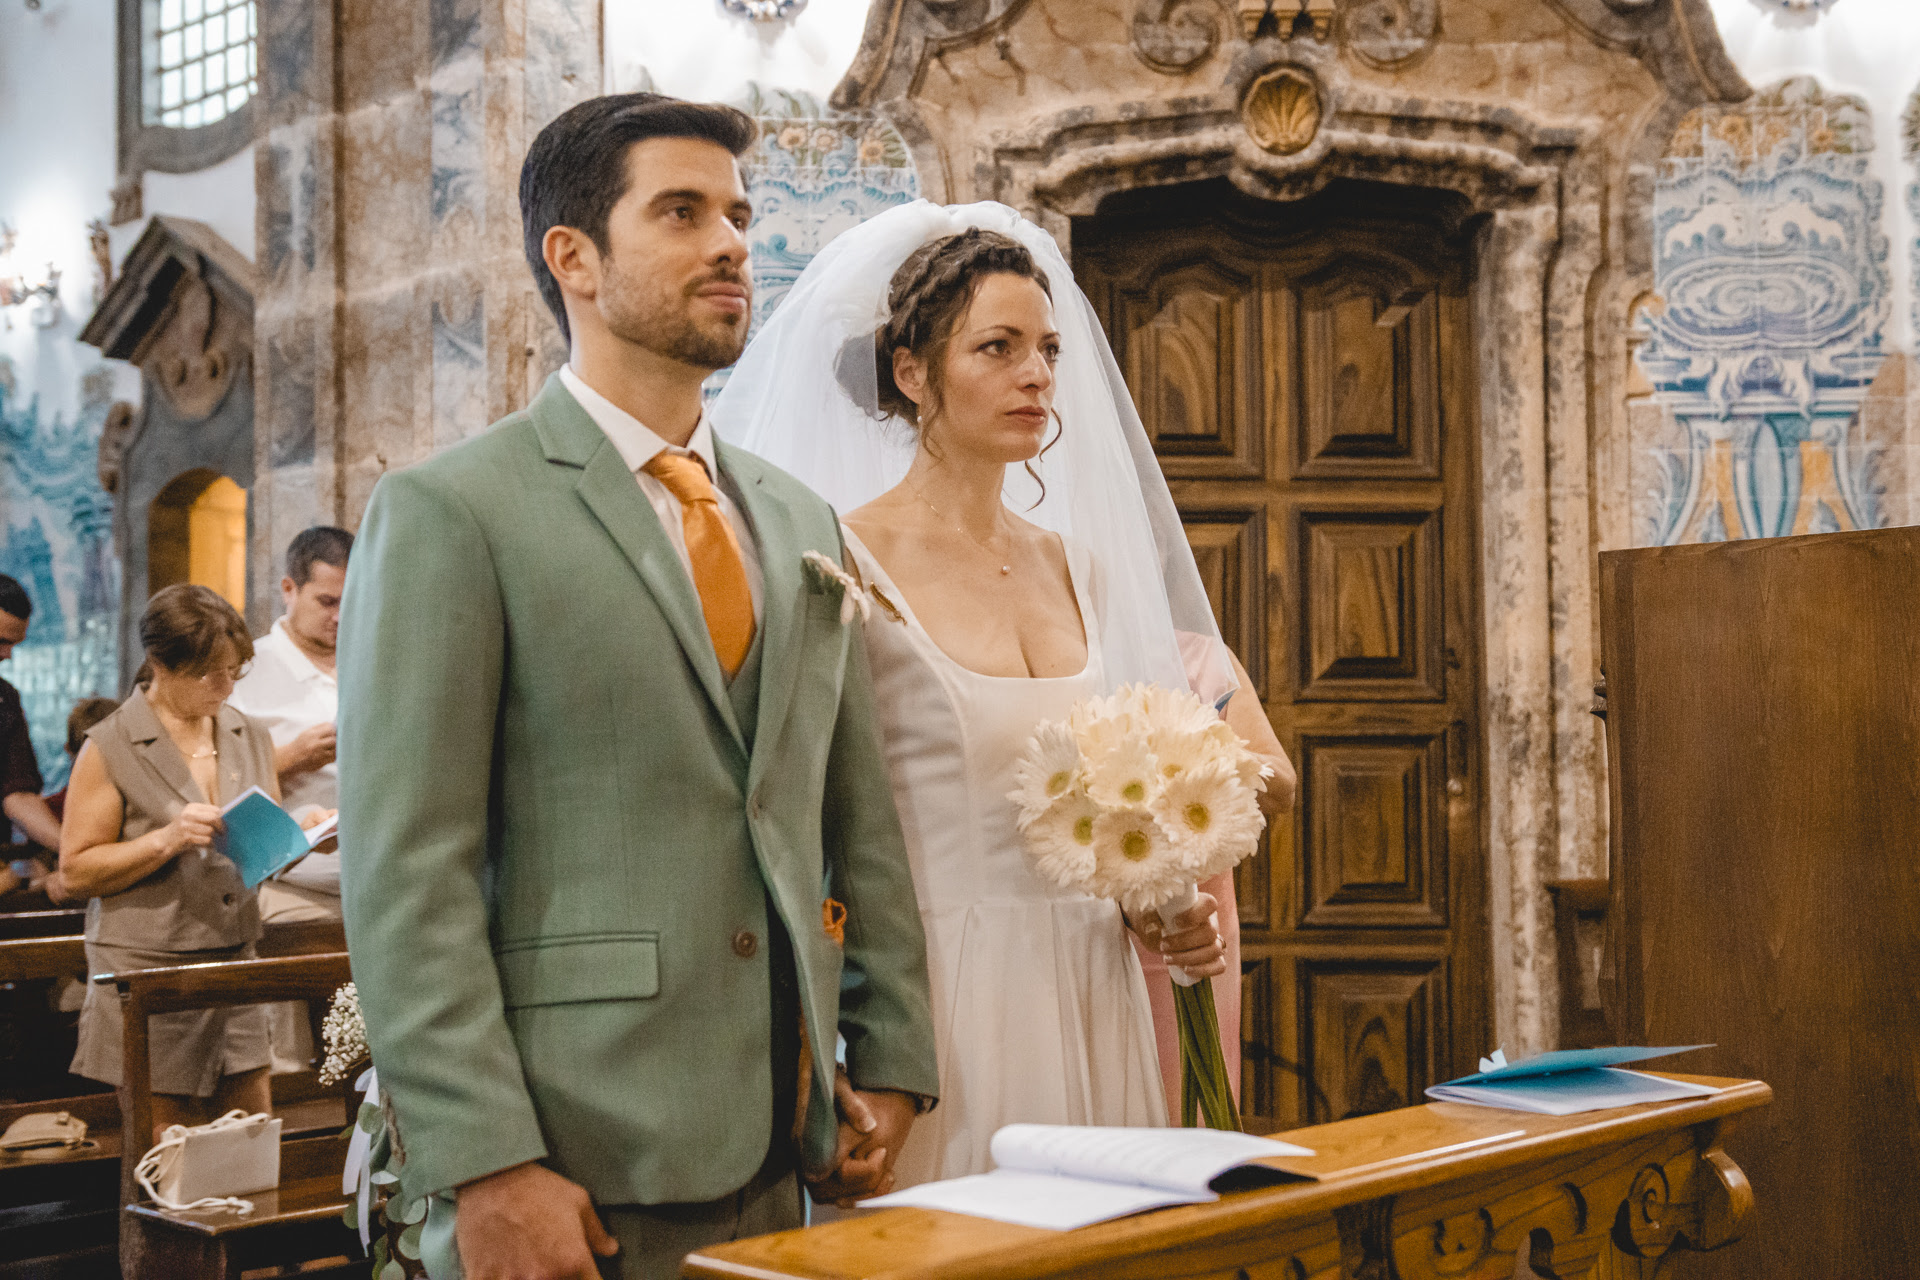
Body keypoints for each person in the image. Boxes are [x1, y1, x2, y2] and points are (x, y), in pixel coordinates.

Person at [338, 93, 938, 1280]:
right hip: (571, 1149)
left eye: (739, 215)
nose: (732, 244)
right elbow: (409, 871)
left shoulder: (796, 517)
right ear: (574, 257)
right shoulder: (456, 511)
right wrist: (487, 1160)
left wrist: (892, 1058)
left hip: (782, 1136)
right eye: (681, 212)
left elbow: (853, 813)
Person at [713, 203, 1298, 1183]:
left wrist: (1156, 904)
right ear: (913, 372)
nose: (1036, 375)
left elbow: (1099, 809)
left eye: (1048, 350)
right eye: (998, 347)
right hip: (939, 994)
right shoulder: (840, 561)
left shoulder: (1084, 571)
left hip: (1093, 984)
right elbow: (798, 816)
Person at [59, 585, 287, 1143]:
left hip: (234, 959)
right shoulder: (109, 744)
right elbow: (75, 871)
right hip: (150, 970)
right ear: (160, 664)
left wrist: (302, 836)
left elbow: (261, 846)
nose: (225, 686)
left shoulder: (248, 732)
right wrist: (165, 840)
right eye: (208, 673)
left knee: (252, 1144)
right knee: (168, 1155)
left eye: (234, 671)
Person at [229, 525, 351, 923]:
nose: (340, 616)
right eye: (327, 601)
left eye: (351, 601)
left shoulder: (374, 663)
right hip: (291, 887)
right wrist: (291, 757)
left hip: (376, 881)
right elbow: (209, 783)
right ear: (289, 589)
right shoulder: (245, 673)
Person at [0, 576, 64, 880]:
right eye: (1, 641)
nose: (7, 654)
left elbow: (19, 795)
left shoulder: (6, 699)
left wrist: (74, 852)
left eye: (13, 644)